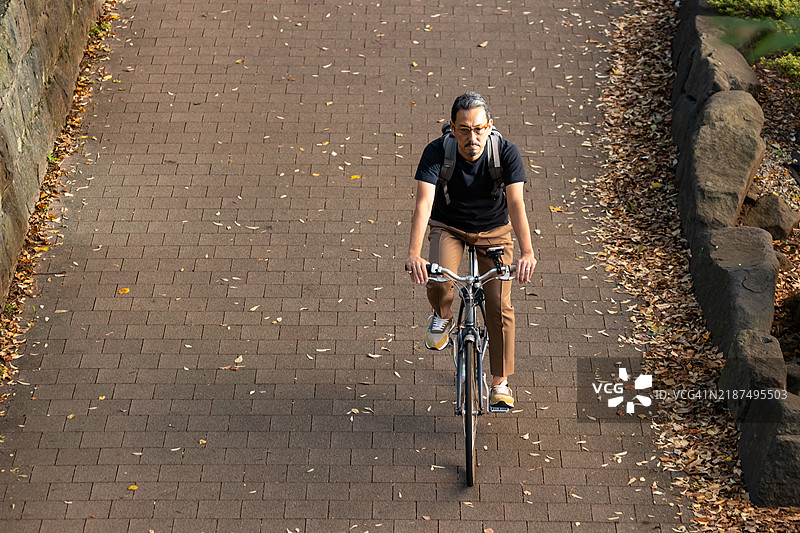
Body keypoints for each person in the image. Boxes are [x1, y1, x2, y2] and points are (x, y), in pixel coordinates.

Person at [405, 92, 536, 410]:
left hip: (493, 232)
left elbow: (516, 203)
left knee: (498, 305)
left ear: (490, 126)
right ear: (452, 128)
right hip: (448, 227)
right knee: (438, 278)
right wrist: (413, 252)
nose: (471, 136)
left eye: (478, 128)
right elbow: (423, 204)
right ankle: (443, 316)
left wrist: (527, 252)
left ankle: (500, 383)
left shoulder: (505, 152)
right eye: (464, 129)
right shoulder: (437, 152)